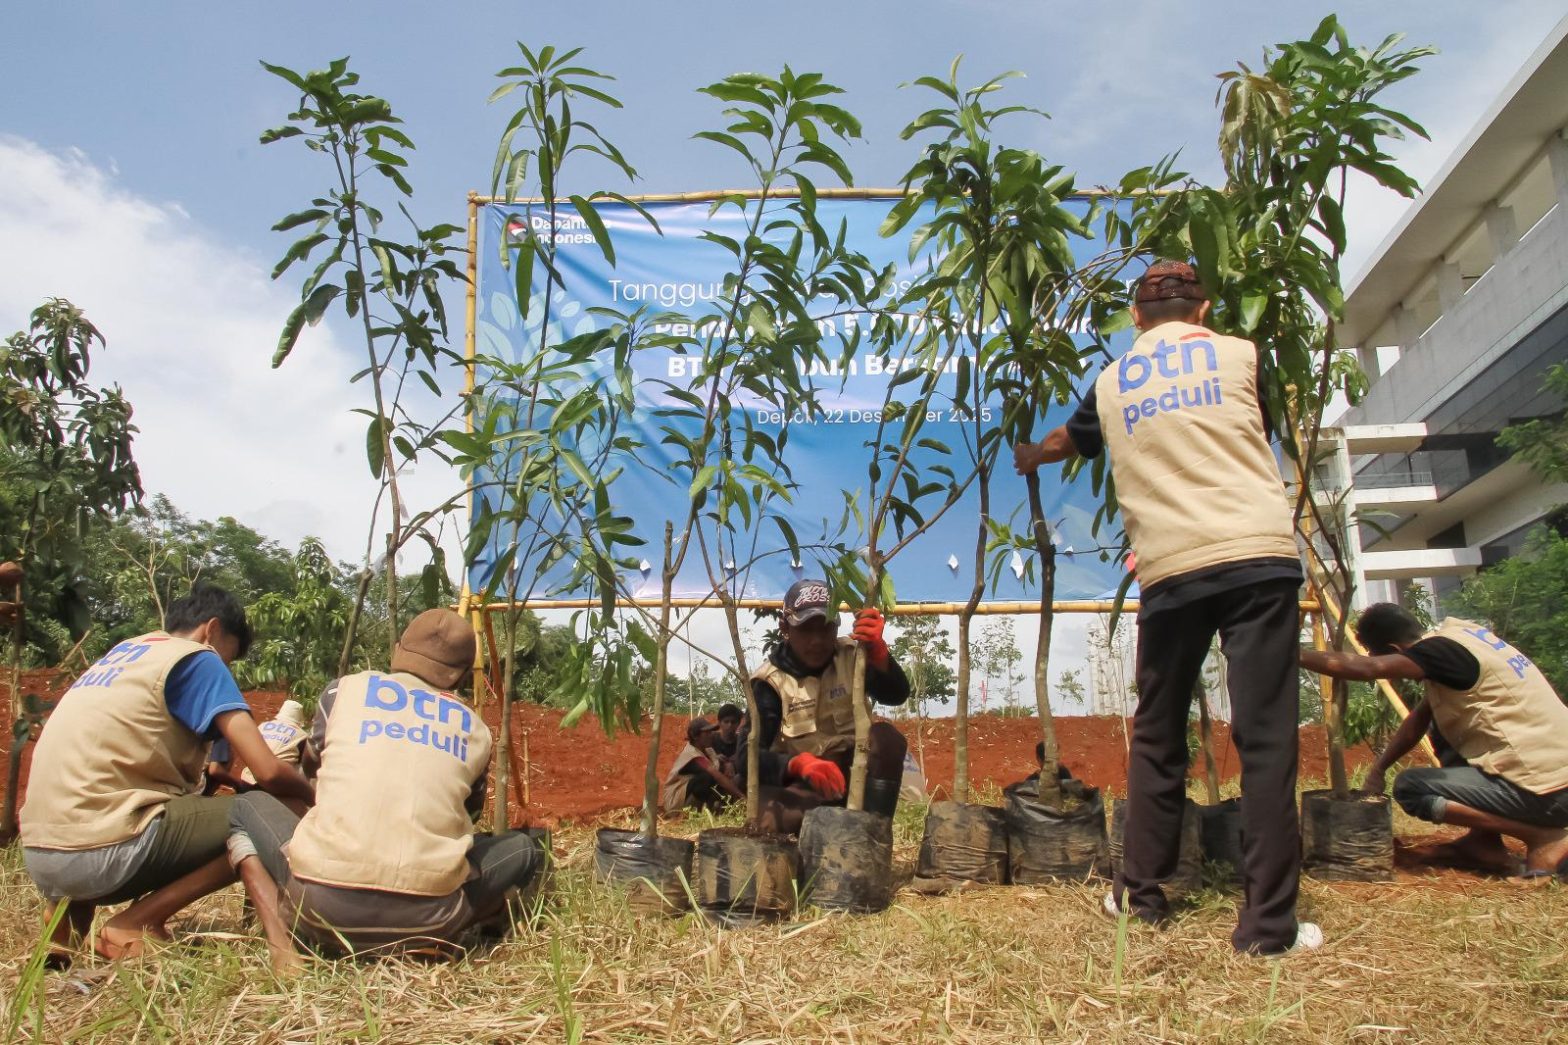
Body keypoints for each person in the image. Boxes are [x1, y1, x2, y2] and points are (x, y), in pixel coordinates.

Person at [1014, 260, 1317, 955]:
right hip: (1257, 556)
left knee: (1156, 735)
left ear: (1136, 318)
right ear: (1204, 310)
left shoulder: (1113, 380)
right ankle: (1268, 927)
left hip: (1172, 566)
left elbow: (1067, 441)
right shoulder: (1243, 355)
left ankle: (1140, 896)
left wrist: (1031, 456)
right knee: (1267, 740)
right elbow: (1261, 425)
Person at [226, 609, 541, 971]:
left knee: (245, 806)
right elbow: (469, 815)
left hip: (315, 907)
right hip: (432, 918)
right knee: (523, 848)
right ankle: (440, 936)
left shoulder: (342, 691)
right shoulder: (475, 728)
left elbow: (313, 768)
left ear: (397, 650)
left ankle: (282, 946)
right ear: (461, 675)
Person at [20, 585, 315, 963]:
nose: (225, 668)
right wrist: (318, 799)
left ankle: (65, 923)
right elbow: (269, 772)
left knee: (112, 793)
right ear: (211, 630)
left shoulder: (125, 653)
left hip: (42, 859)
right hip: (105, 852)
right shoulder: (200, 658)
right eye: (228, 657)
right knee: (272, 808)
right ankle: (138, 921)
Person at [1301, 603, 1568, 879]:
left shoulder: (1439, 653)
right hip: (1554, 777)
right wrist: (1378, 769)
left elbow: (1370, 668)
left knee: (1411, 788)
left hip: (1550, 790)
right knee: (1443, 728)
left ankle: (1541, 836)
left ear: (1394, 650)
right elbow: (1417, 721)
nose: (1373, 658)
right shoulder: (1461, 639)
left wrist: (1291, 654)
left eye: (1373, 651)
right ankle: (1483, 844)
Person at [744, 579, 911, 833]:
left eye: (826, 628)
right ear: (785, 628)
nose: (817, 641)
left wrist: (879, 654)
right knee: (768, 819)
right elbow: (744, 757)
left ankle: (873, 837)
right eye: (805, 630)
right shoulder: (769, 683)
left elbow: (896, 695)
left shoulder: (853, 656)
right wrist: (796, 764)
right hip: (805, 787)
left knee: (886, 739)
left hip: (855, 776)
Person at [662, 717, 744, 813]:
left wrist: (725, 764)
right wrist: (741, 796)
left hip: (688, 795)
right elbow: (717, 776)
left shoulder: (709, 751)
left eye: (711, 732)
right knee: (706, 778)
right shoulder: (692, 754)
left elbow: (716, 766)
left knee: (716, 776)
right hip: (675, 802)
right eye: (707, 733)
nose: (711, 735)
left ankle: (716, 808)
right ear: (695, 736)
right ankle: (691, 813)